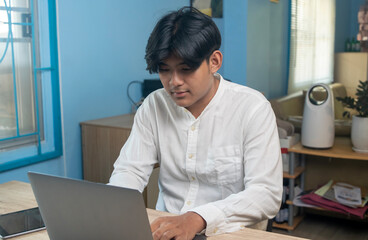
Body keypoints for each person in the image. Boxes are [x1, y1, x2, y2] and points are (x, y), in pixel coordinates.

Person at [109, 6, 283, 240]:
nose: (174, 82)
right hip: (167, 231)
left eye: (186, 69)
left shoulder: (252, 108)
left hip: (231, 233)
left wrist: (197, 218)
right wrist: (112, 212)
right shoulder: (153, 106)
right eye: (164, 70)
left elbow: (266, 194)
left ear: (214, 61)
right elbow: (130, 169)